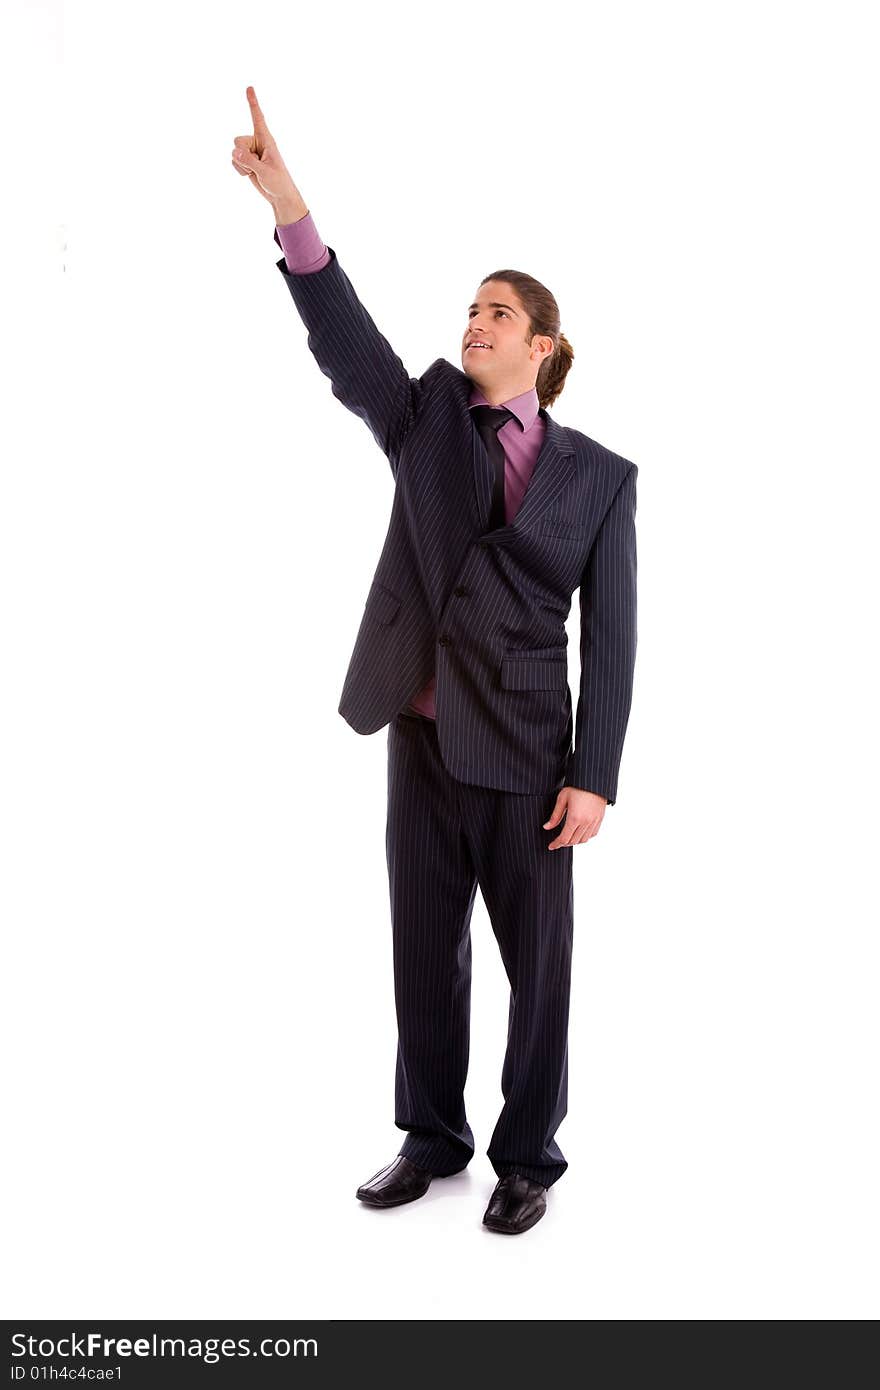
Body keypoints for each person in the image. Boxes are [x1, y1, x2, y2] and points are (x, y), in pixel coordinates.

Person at [231, 86, 638, 1235]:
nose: (475, 320)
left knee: (538, 968)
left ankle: (527, 1154)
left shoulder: (600, 476)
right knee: (424, 951)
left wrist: (593, 772)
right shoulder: (422, 417)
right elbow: (343, 340)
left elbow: (614, 634)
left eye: (497, 311)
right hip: (416, 735)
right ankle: (431, 1136)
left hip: (525, 757)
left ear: (541, 345)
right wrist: (289, 208)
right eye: (470, 305)